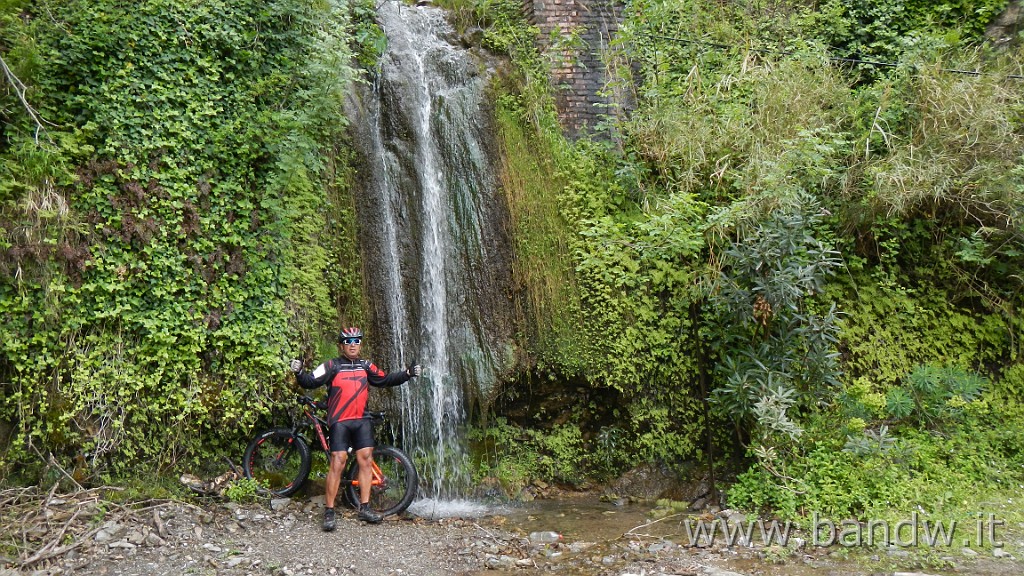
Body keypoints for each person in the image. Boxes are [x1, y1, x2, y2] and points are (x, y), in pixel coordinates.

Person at [290, 326, 420, 530]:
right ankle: (330, 511)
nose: (353, 345)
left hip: (362, 420)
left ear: (360, 344)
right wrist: (299, 371)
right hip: (340, 421)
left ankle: (365, 508)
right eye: (348, 342)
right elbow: (310, 381)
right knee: (338, 462)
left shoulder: (366, 366)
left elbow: (385, 379)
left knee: (366, 460)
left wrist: (407, 374)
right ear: (342, 346)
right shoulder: (332, 365)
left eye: (356, 341)